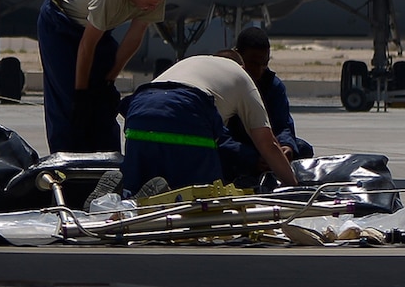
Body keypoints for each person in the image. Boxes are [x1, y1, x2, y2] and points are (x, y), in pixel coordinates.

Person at [119, 50, 297, 196]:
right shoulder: (242, 77)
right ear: (242, 67)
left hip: (139, 110)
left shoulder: (193, 61)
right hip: (187, 109)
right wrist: (293, 186)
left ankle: (116, 201)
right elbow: (268, 144)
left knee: (137, 191)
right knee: (204, 198)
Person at [37, 0, 166, 153]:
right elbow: (86, 46)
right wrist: (80, 92)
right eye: (148, 5)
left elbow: (134, 37)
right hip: (60, 23)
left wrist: (109, 79)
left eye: (154, 5)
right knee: (70, 101)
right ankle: (67, 165)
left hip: (96, 26)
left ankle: (106, 161)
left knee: (104, 98)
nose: (151, 9)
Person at [217, 26, 313, 185]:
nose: (259, 70)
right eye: (253, 63)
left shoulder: (273, 86)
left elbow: (283, 125)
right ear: (238, 57)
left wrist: (286, 146)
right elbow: (219, 135)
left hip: (264, 145)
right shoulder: (225, 84)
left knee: (302, 148)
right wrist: (250, 158)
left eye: (264, 63)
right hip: (236, 148)